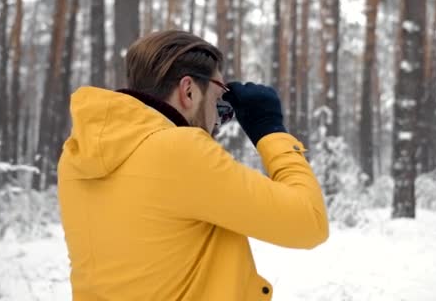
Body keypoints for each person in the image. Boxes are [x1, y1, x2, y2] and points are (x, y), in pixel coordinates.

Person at [57, 30, 329, 300]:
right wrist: (270, 130)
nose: (218, 119)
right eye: (217, 97)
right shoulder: (179, 151)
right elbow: (309, 222)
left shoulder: (76, 157)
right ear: (188, 90)